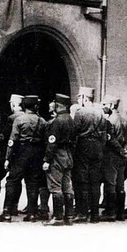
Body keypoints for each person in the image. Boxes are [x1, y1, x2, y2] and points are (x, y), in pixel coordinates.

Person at [0, 95, 47, 223]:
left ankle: (7, 212)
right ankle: (32, 213)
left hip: (21, 153)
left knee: (12, 180)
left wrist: (8, 157)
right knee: (32, 182)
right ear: (36, 106)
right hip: (37, 154)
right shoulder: (42, 121)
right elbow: (45, 141)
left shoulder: (19, 120)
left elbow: (12, 140)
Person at [71, 86, 106, 223]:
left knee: (83, 180)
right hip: (97, 147)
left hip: (83, 146)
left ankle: (82, 212)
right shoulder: (101, 113)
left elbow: (75, 132)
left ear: (84, 98)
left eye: (80, 97)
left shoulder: (80, 113)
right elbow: (104, 133)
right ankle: (95, 213)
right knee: (95, 181)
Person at [0, 93, 24, 216]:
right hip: (20, 155)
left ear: (13, 104)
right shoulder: (27, 117)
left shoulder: (11, 118)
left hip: (7, 154)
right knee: (16, 181)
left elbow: (4, 137)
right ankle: (14, 206)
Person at [43, 93, 75, 226]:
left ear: (57, 105)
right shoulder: (70, 119)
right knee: (67, 187)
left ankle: (58, 217)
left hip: (58, 156)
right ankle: (69, 216)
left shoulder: (57, 121)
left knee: (55, 186)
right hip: (68, 155)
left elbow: (52, 143)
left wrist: (47, 160)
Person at [100, 95, 127, 221]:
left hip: (112, 155)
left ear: (111, 106)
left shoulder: (110, 121)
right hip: (122, 156)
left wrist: (120, 150)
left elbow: (111, 139)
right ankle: (120, 212)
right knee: (120, 184)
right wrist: (126, 150)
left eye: (105, 104)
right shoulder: (124, 120)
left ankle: (110, 212)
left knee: (110, 183)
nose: (102, 107)